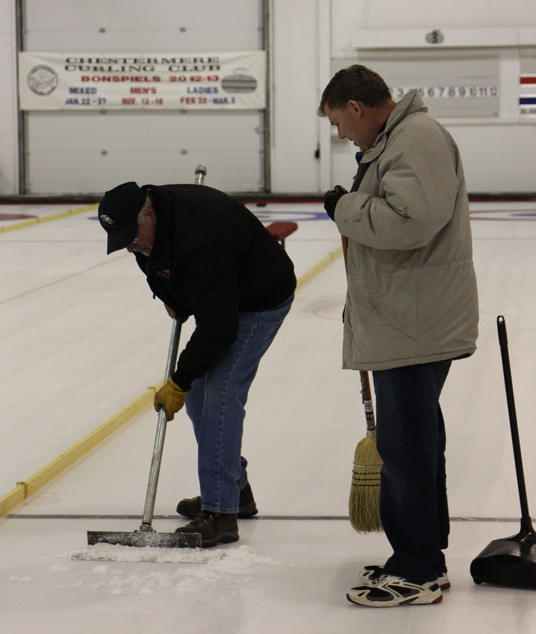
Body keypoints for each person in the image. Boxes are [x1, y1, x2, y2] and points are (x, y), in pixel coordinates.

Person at [318, 65, 479, 607]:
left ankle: (418, 567)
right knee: (415, 441)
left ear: (358, 109)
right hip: (408, 318)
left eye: (341, 123)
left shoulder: (415, 139)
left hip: (415, 322)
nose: (342, 135)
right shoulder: (399, 140)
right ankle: (421, 552)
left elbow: (411, 221)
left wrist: (345, 207)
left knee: (406, 447)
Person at [97, 181, 295, 547]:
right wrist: (175, 296)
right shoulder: (146, 232)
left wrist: (178, 379)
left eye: (132, 234)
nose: (131, 245)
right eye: (122, 238)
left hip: (259, 299)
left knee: (220, 393)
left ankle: (221, 513)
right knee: (200, 396)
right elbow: (157, 267)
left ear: (150, 214)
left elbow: (219, 328)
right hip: (223, 294)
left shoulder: (201, 234)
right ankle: (235, 489)